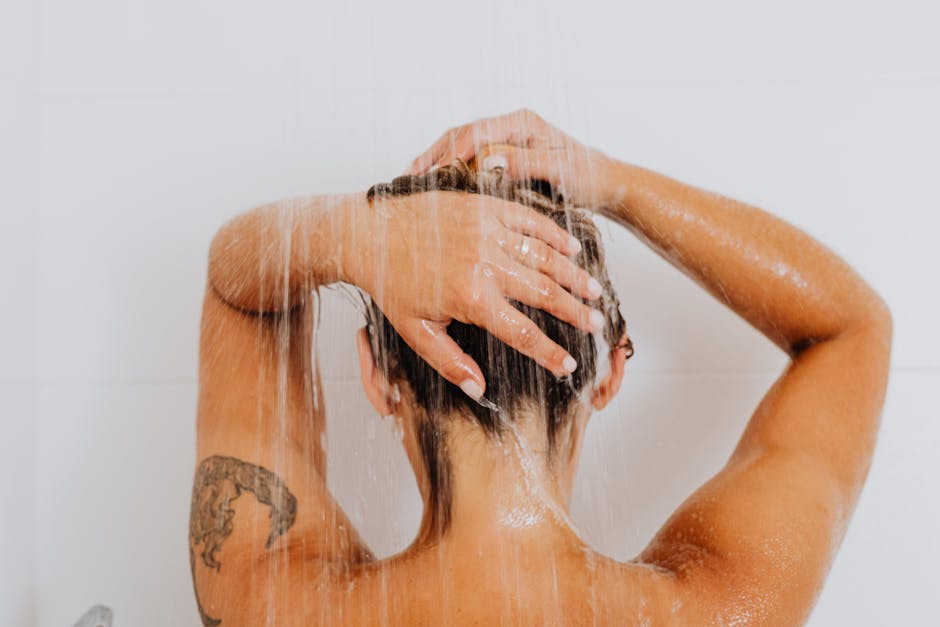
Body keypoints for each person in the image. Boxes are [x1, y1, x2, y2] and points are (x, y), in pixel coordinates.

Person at [190, 109, 891, 626]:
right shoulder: (714, 609)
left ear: (376, 374)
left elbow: (237, 285)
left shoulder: (277, 602)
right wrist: (613, 183)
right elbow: (849, 329)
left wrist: (357, 233)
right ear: (611, 370)